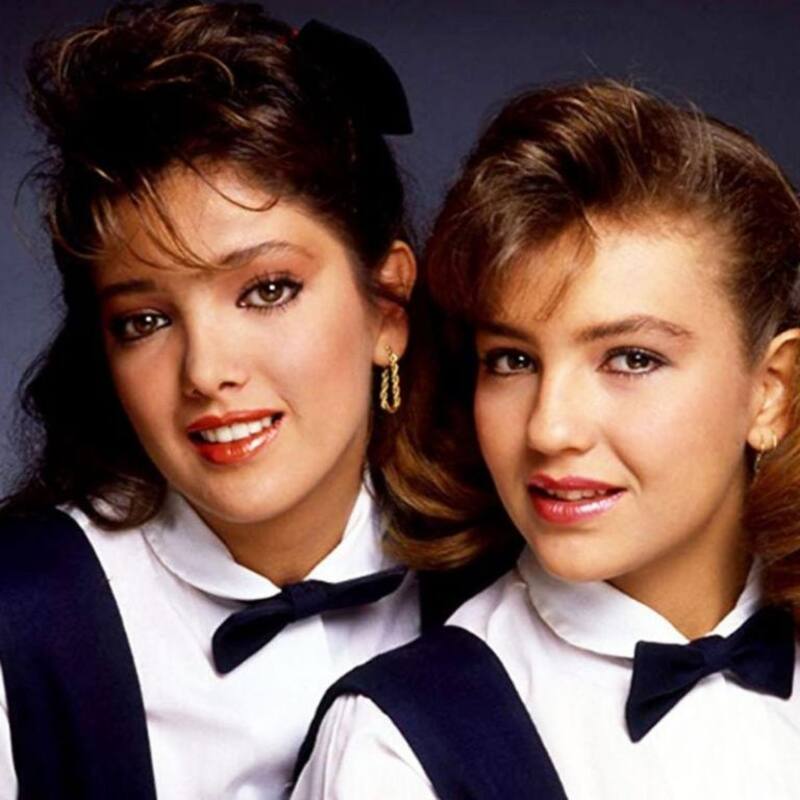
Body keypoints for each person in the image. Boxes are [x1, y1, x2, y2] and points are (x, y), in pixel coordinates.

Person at [291, 81, 800, 799]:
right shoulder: (397, 743)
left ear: (772, 391)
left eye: (631, 359)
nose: (549, 428)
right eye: (512, 361)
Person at [0, 3, 431, 797]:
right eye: (145, 320)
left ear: (388, 309)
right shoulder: (22, 624)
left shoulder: (499, 576)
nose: (205, 370)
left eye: (267, 290)